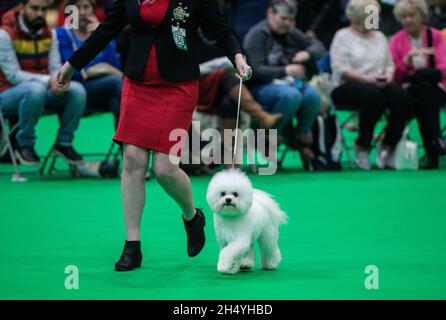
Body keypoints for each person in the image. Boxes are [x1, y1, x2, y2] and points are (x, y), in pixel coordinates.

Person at [57, 0, 251, 271]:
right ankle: (132, 246)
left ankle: (192, 216)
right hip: (138, 85)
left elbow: (220, 31)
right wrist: (72, 64)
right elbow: (106, 30)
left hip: (178, 86)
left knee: (164, 168)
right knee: (133, 160)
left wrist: (238, 57)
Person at [0, 0, 86, 165]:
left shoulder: (50, 33)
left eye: (43, 9)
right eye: (34, 8)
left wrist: (58, 81)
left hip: (39, 91)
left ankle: (64, 143)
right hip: (6, 94)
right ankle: (23, 144)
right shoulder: (4, 34)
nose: (40, 13)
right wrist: (49, 80)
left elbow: (54, 66)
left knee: (77, 90)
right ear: (21, 8)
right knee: (35, 89)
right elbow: (13, 75)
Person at [330, 0, 412, 170]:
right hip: (347, 84)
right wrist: (367, 79)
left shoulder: (380, 37)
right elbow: (341, 68)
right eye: (371, 15)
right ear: (357, 17)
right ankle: (362, 145)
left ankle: (389, 143)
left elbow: (389, 64)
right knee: (374, 97)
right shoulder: (342, 36)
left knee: (402, 97)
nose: (376, 19)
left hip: (379, 81)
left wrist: (388, 76)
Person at [243, 0, 325, 165]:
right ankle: (272, 137)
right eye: (283, 18)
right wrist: (285, 71)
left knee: (313, 95)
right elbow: (254, 71)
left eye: (291, 19)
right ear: (270, 13)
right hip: (261, 87)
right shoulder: (257, 35)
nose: (287, 23)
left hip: (291, 84)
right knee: (291, 96)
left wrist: (307, 54)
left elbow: (319, 47)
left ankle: (302, 136)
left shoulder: (293, 33)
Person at [390, 0, 446, 169]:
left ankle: (432, 152)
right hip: (409, 89)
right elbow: (396, 75)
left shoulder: (435, 36)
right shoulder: (396, 40)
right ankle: (436, 140)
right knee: (423, 91)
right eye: (403, 17)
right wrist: (407, 61)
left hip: (435, 87)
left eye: (411, 15)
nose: (407, 20)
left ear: (422, 16)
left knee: (425, 91)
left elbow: (443, 66)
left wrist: (432, 57)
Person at [56, 0, 122, 128]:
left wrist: (103, 37)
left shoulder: (102, 32)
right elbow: (68, 71)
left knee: (116, 100)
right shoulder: (63, 34)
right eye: (77, 8)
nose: (82, 12)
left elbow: (115, 65)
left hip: (105, 89)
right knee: (117, 84)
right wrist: (97, 70)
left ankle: (124, 144)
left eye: (86, 7)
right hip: (78, 88)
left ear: (93, 9)